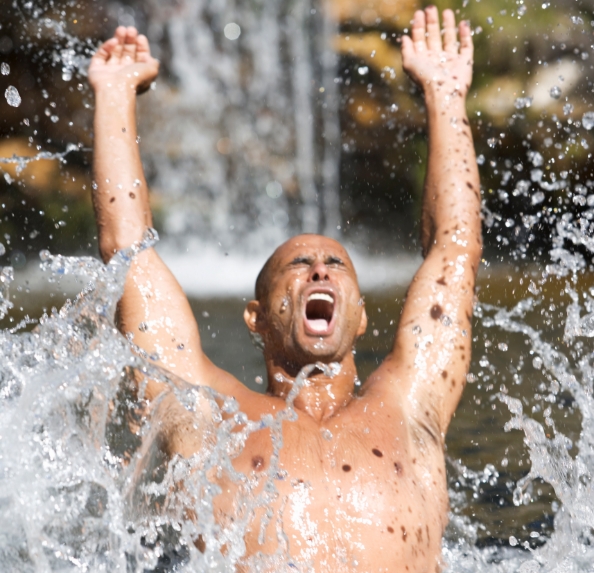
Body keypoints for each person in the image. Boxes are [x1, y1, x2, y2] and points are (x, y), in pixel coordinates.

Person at [88, 6, 481, 572]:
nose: (320, 271)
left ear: (363, 317)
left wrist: (446, 96)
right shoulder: (205, 416)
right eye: (299, 264)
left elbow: (456, 247)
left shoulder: (411, 405)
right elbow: (127, 254)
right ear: (256, 317)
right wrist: (114, 95)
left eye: (335, 264)